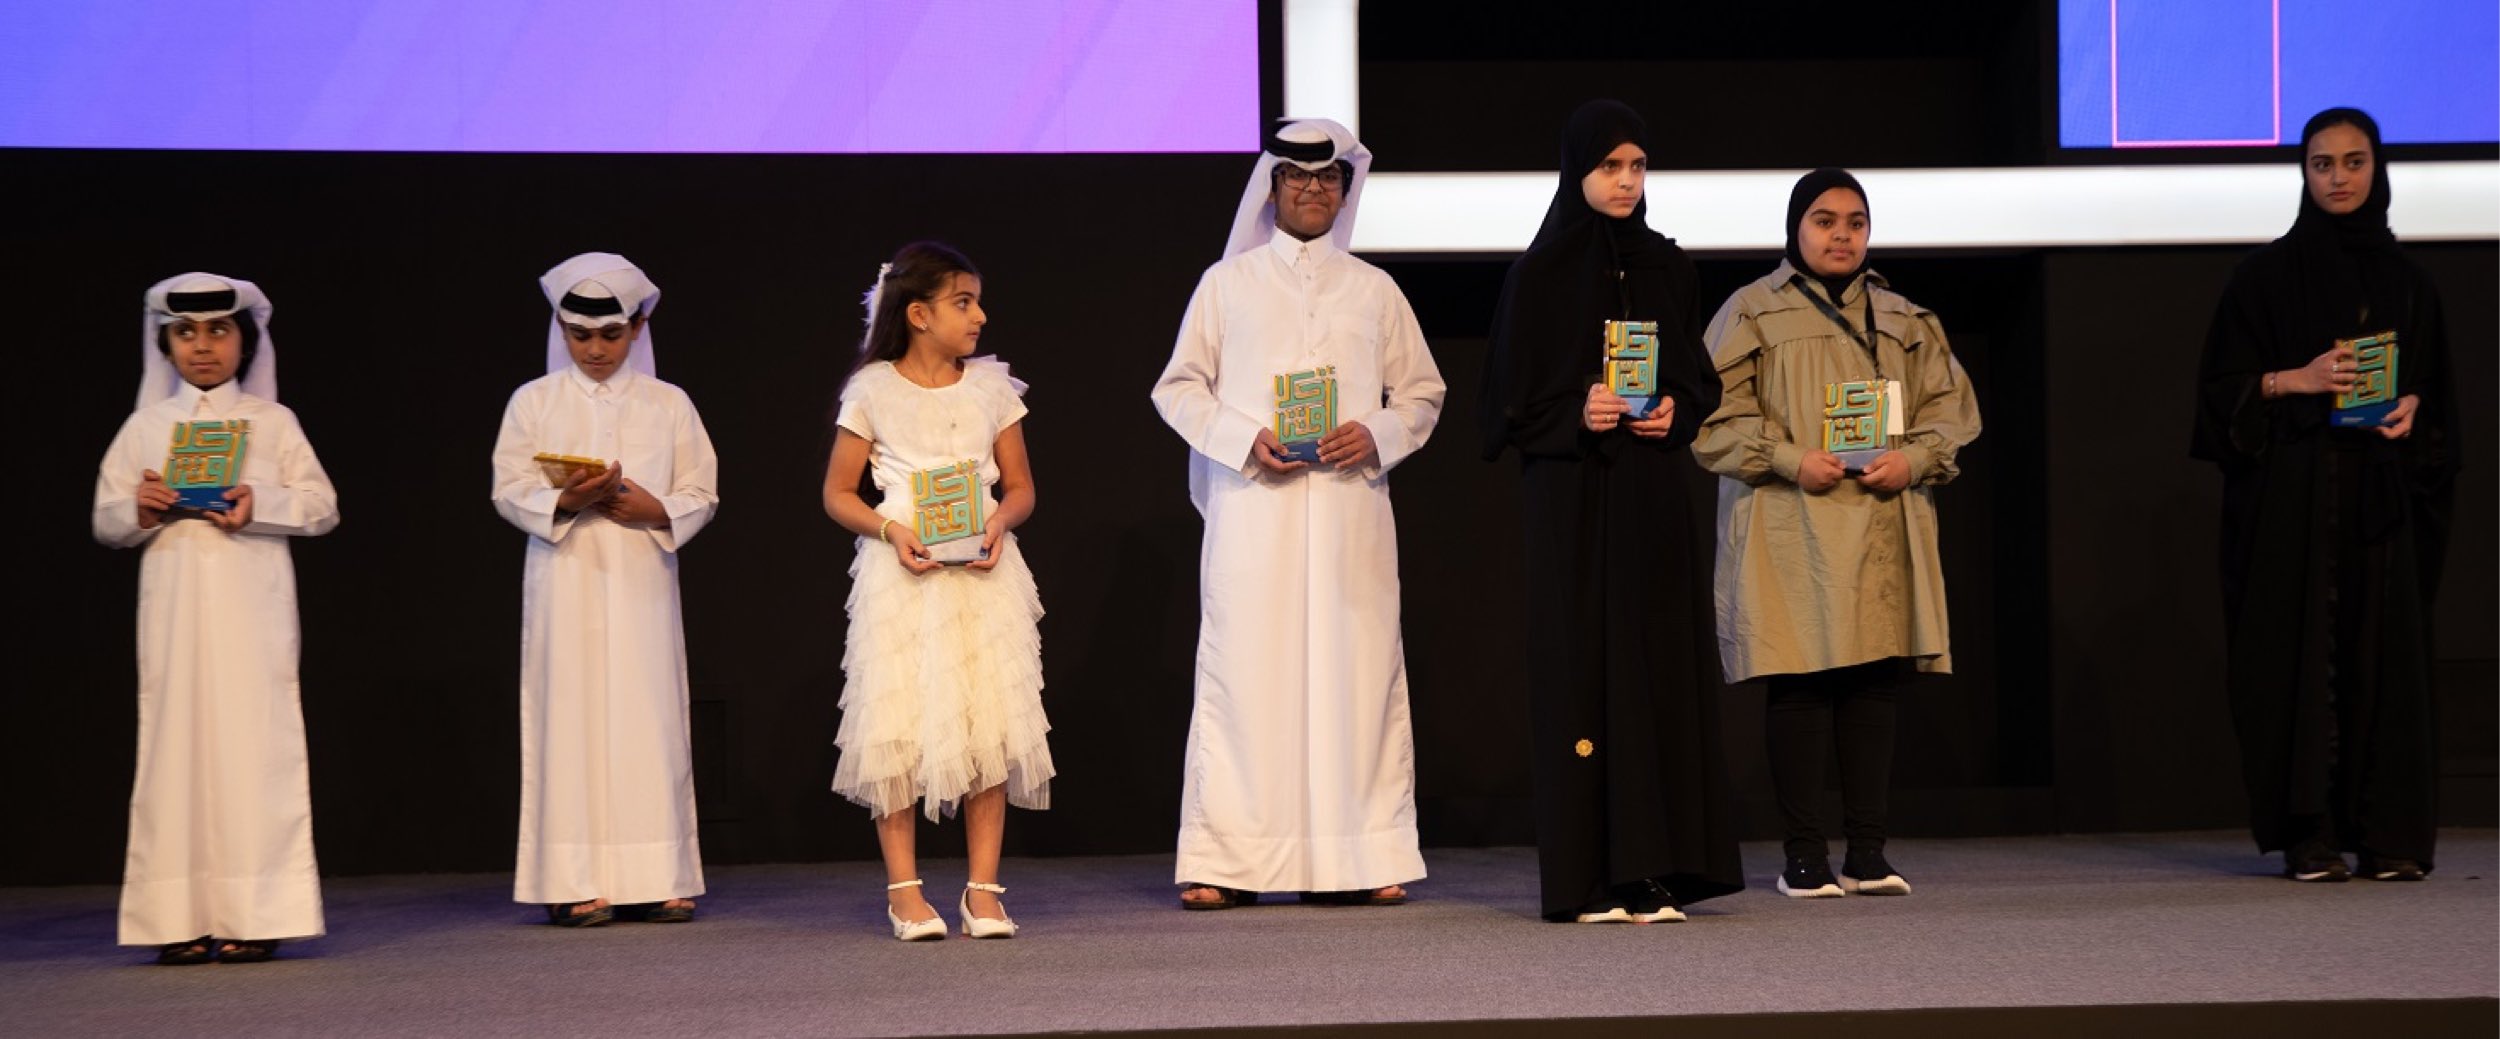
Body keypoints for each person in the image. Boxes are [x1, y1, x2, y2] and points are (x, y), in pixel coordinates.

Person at [1151, 117, 1445, 910]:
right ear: (1272, 187)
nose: (1312, 190)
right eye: (1296, 178)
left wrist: (1375, 431)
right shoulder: (1227, 282)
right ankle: (1228, 860)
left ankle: (1363, 853)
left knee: (1358, 676)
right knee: (1246, 677)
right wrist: (1246, 439)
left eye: (1326, 180)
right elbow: (1177, 388)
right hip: (1256, 509)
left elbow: (1422, 393)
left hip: (1351, 509)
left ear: (1343, 191)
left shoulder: (1375, 289)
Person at [1479, 100, 1744, 924]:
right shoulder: (1541, 273)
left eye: (1637, 167)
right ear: (1577, 172)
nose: (1626, 183)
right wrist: (1577, 413)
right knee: (1587, 674)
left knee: (1659, 667)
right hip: (1573, 503)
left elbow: (1699, 379)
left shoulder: (1668, 265)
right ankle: (1589, 877)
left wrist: (1674, 410)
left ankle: (1658, 869)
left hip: (1651, 499)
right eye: (1609, 168)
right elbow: (1504, 408)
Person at [1695, 169, 1981, 899]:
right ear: (1796, 228)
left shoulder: (1903, 316)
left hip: (1880, 520)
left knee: (1871, 683)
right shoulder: (1751, 312)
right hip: (1792, 522)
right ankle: (1803, 857)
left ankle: (1868, 853)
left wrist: (1913, 457)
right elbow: (1710, 420)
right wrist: (1791, 459)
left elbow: (1953, 411)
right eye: (1825, 220)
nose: (1841, 234)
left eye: (1855, 221)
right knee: (1801, 683)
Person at [2191, 108, 2456, 883]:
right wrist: (2293, 380)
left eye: (2353, 162)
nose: (2338, 178)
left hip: (2380, 503)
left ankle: (2388, 834)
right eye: (2321, 164)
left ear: (2378, 169)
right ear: (2302, 174)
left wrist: (2416, 410)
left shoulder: (2411, 285)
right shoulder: (2263, 280)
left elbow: (2442, 404)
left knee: (2386, 657)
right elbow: (2217, 404)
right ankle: (2310, 833)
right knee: (2298, 661)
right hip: (2293, 508)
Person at [93, 273, 340, 964]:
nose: (203, 347)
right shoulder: (146, 426)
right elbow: (105, 519)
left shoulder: (272, 421)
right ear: (166, 342)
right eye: (186, 333)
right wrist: (138, 510)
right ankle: (176, 915)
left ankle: (256, 913)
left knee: (254, 753)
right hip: (173, 615)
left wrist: (257, 501)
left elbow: (322, 505)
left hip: (253, 612)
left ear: (243, 339)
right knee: (176, 755)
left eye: (219, 330)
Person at [824, 241, 1052, 940]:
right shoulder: (872, 391)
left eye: (978, 300)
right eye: (963, 302)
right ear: (918, 313)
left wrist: (999, 521)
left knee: (989, 718)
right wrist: (890, 530)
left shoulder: (990, 389)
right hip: (904, 575)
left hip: (983, 574)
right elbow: (837, 492)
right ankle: (905, 889)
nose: (979, 315)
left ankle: (983, 888)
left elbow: (1020, 488)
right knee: (896, 724)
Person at [490, 252, 719, 927]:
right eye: (579, 334)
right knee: (572, 719)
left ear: (638, 327)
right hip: (566, 582)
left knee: (648, 718)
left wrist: (658, 510)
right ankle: (572, 878)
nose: (594, 349)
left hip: (642, 582)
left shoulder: (669, 404)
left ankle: (659, 874)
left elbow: (701, 490)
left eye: (610, 335)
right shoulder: (534, 401)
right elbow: (507, 488)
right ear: (560, 327)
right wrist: (563, 501)